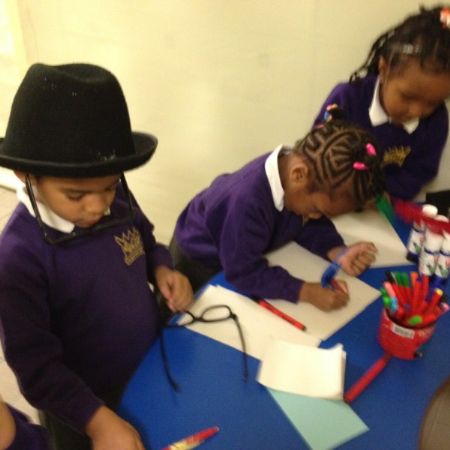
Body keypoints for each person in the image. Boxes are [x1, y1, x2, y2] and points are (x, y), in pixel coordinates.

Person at [0, 63, 193, 450]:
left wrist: (161, 267)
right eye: (76, 195)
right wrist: (96, 421)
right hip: (84, 409)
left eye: (109, 186)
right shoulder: (17, 259)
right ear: (25, 174)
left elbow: (145, 237)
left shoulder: (115, 198)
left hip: (146, 367)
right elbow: (36, 368)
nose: (98, 206)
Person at [169, 114, 385, 311]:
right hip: (199, 258)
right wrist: (306, 292)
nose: (315, 217)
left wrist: (336, 250)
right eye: (317, 210)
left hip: (237, 247)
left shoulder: (295, 176)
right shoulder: (246, 204)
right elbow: (243, 272)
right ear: (298, 175)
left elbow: (306, 223)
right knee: (180, 311)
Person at [313, 5, 450, 200]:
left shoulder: (436, 121)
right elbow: (317, 149)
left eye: (432, 103)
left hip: (384, 204)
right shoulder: (347, 99)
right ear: (384, 70)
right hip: (332, 198)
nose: (418, 111)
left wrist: (381, 193)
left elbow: (419, 172)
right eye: (407, 97)